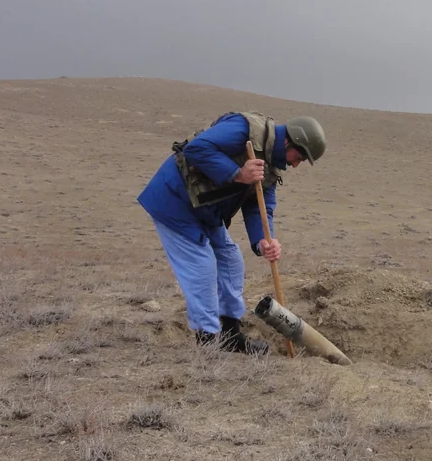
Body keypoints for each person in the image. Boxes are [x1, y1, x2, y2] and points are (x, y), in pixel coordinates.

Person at [137, 111, 326, 355]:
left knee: (231, 261)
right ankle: (207, 343)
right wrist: (237, 174)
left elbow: (260, 209)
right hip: (175, 202)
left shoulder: (271, 167)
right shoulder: (243, 129)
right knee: (203, 267)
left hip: (207, 212)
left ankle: (230, 335)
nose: (295, 164)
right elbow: (197, 148)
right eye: (298, 157)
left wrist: (264, 242)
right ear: (289, 142)